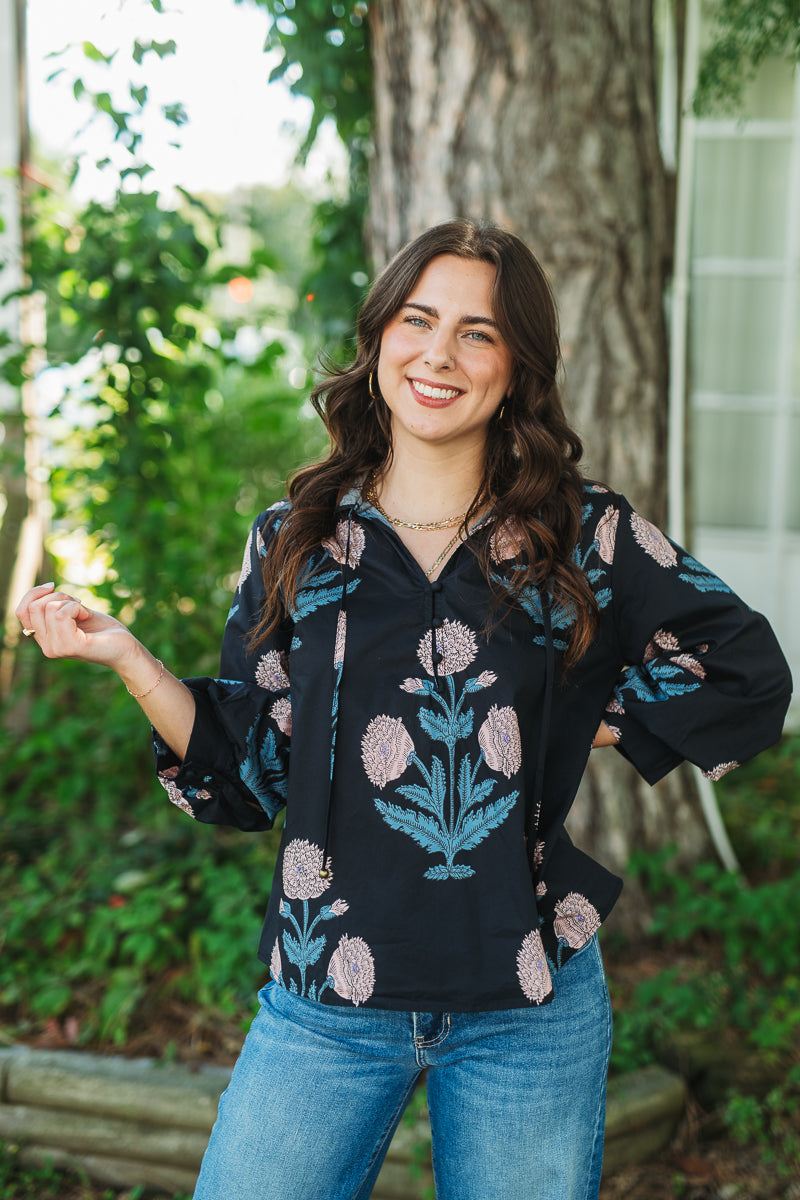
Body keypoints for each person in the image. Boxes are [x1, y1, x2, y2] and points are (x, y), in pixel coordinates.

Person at [16, 220, 792, 1200]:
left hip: (527, 999)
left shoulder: (582, 535)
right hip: (325, 997)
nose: (438, 353)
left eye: (477, 332)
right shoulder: (296, 538)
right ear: (378, 337)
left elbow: (744, 667)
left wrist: (596, 719)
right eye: (417, 320)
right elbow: (249, 772)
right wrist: (128, 657)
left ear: (515, 368)